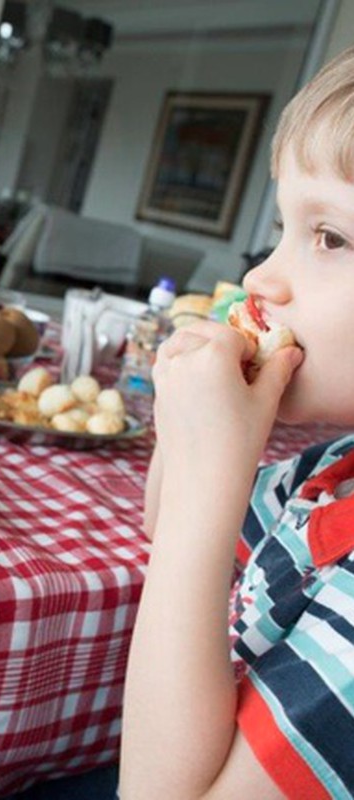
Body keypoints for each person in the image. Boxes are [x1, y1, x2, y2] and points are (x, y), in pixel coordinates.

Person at [119, 45, 354, 799]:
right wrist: (189, 424)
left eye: (330, 236)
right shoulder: (333, 473)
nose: (261, 278)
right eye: (285, 224)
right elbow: (169, 521)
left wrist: (210, 468)